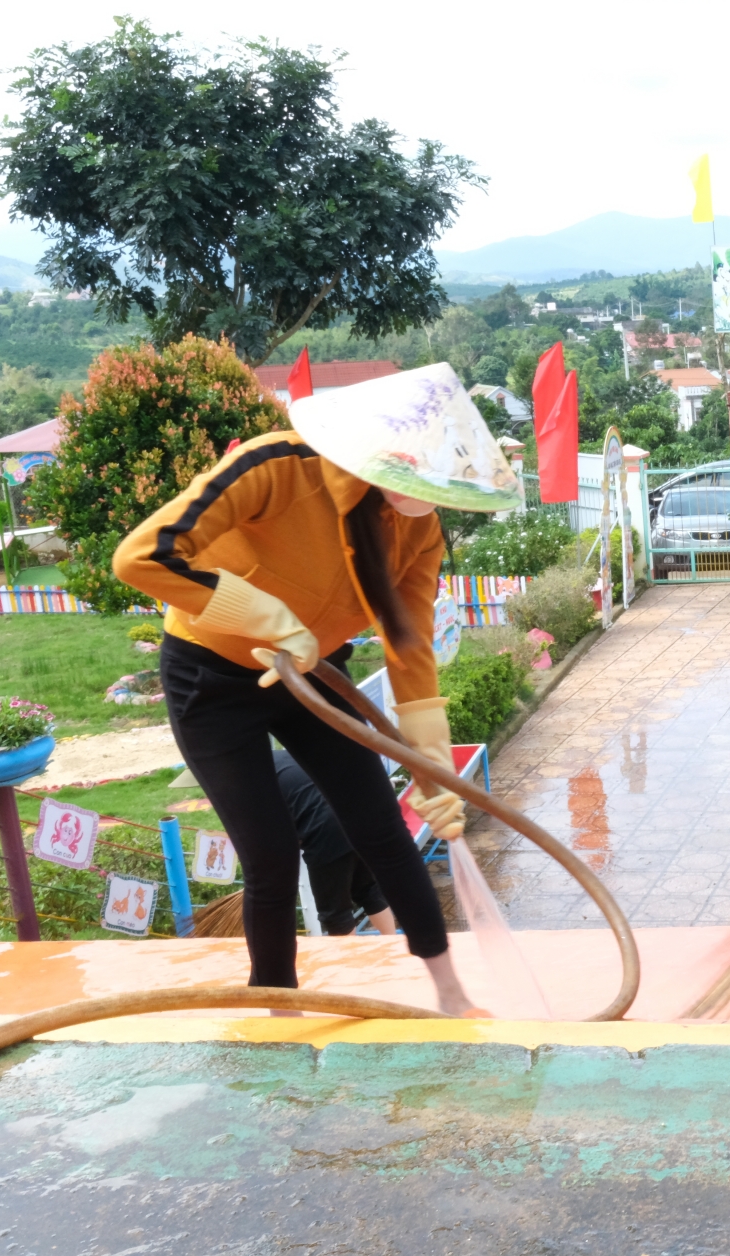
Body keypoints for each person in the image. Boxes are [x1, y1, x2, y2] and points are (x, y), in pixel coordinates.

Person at [113, 363, 522, 1014]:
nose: (430, 499)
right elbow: (139, 556)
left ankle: (452, 993)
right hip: (211, 674)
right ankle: (278, 1005)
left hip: (315, 673)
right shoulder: (273, 466)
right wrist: (263, 617)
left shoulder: (417, 529)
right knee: (271, 854)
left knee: (382, 830)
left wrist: (432, 761)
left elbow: (409, 643)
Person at [275, 749, 398, 937]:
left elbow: (269, 831)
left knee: (335, 914)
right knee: (368, 889)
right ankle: (393, 947)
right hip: (358, 814)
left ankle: (350, 964)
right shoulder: (283, 756)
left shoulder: (250, 777)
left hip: (325, 827)